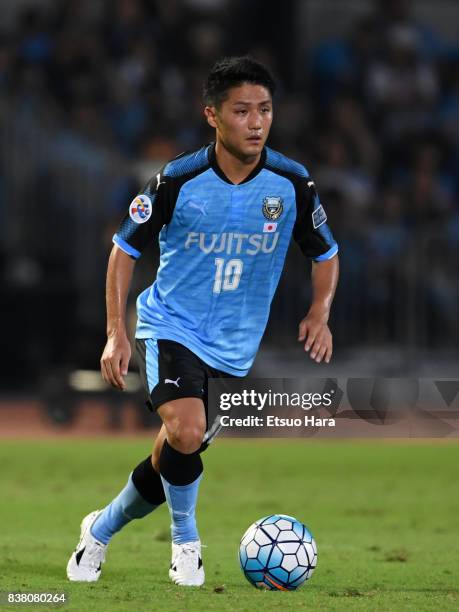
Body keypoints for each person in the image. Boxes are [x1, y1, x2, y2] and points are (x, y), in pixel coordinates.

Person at [66, 56, 339, 587]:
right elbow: (123, 250)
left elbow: (325, 253)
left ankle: (98, 529)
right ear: (212, 116)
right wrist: (116, 332)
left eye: (265, 110)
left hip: (232, 345)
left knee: (173, 451)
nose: (257, 122)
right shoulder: (176, 180)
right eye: (242, 111)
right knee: (187, 429)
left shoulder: (291, 183)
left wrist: (319, 312)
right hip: (170, 324)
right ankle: (186, 545)